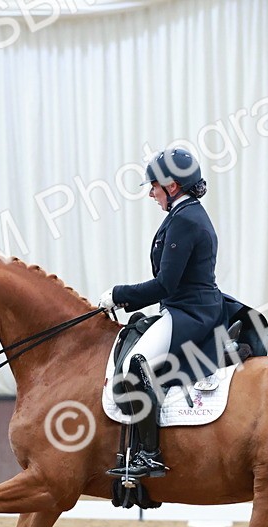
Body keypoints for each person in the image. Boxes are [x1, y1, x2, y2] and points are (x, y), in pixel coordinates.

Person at [97, 147, 226, 480]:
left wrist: (118, 295)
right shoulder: (184, 214)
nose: (151, 193)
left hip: (189, 312)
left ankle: (150, 455)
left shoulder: (185, 219)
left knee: (132, 369)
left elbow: (166, 284)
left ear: (171, 185)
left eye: (153, 186)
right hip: (187, 306)